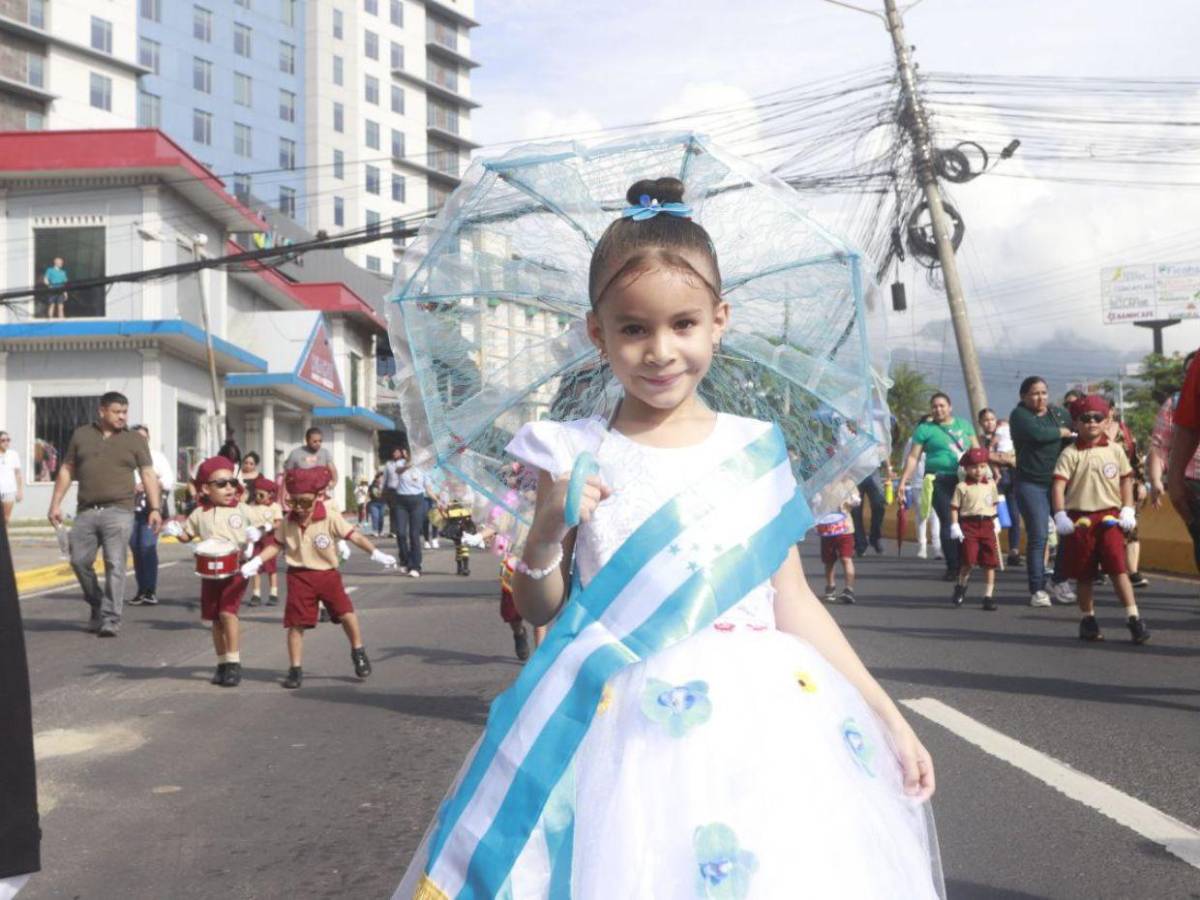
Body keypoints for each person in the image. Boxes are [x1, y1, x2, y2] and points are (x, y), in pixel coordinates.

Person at [394, 176, 941, 898]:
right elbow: (537, 606)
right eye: (633, 329)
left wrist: (885, 713)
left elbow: (794, 601)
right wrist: (548, 530)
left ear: (720, 320)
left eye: (683, 324)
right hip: (624, 728)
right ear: (597, 333)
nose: (659, 351)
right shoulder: (568, 449)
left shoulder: (758, 447)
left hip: (769, 724)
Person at [249, 467, 395, 690]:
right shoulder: (289, 521)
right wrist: (257, 561)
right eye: (294, 502)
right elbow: (276, 545)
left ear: (317, 497)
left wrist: (375, 552)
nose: (299, 508)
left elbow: (353, 535)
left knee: (346, 614)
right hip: (299, 576)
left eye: (305, 502)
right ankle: (295, 669)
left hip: (327, 575)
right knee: (295, 624)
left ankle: (358, 650)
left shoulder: (329, 517)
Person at [48, 392, 161, 636]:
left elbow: (148, 474)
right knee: (78, 561)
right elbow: (67, 469)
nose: (122, 417)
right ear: (102, 411)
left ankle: (111, 618)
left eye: (125, 412)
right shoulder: (81, 435)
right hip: (86, 511)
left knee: (115, 563)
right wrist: (55, 503)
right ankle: (97, 603)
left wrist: (155, 508)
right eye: (116, 412)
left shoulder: (134, 439)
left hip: (119, 511)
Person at [1051, 396, 1148, 644]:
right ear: (1076, 423)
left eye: (1097, 418)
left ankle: (1133, 617)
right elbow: (1058, 486)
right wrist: (1060, 514)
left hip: (1109, 519)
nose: (1092, 423)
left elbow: (1126, 478)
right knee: (1084, 574)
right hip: (1080, 520)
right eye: (1085, 418)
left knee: (1118, 569)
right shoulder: (1070, 453)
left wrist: (1127, 508)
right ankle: (1088, 619)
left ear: (1107, 422)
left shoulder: (1115, 450)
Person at [163, 457, 265, 687]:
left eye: (231, 482)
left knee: (228, 613)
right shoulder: (200, 513)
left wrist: (256, 535)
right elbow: (187, 536)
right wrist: (175, 531)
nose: (229, 487)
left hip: (237, 568)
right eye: (221, 484)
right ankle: (221, 663)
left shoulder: (242, 509)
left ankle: (234, 663)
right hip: (209, 572)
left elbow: (266, 526)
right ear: (206, 489)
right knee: (215, 619)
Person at [1009, 376, 1076, 608]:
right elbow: (1037, 434)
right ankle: (1037, 588)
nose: (1041, 397)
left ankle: (1059, 579)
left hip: (1058, 483)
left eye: (1044, 392)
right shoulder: (1019, 416)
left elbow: (1072, 440)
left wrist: (1066, 433)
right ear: (1024, 396)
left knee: (1068, 531)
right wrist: (1061, 433)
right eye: (1035, 393)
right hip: (1030, 484)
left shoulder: (1059, 414)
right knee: (1039, 536)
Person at [898, 392, 977, 581]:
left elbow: (977, 451)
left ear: (950, 407)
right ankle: (953, 565)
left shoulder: (964, 425)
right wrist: (903, 481)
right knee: (949, 519)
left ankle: (966, 561)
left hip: (964, 479)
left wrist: (988, 474)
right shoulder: (925, 429)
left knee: (966, 521)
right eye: (934, 406)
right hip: (938, 480)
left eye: (942, 405)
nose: (938, 409)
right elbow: (913, 457)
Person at [1149, 353, 1200, 572]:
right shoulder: (1175, 404)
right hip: (1194, 483)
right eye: (1188, 373)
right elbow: (1160, 446)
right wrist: (1161, 479)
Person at [1100, 405, 1148, 589]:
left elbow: (1137, 458)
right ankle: (1103, 568)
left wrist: (1142, 482)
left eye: (1106, 409)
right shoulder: (1091, 433)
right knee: (1104, 529)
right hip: (1101, 490)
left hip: (1127, 487)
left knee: (1132, 529)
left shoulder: (1125, 432)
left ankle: (1133, 572)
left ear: (1111, 410)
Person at [128, 425, 175, 607]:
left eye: (144, 438)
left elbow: (169, 480)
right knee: (136, 548)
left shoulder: (156, 457)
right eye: (137, 438)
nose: (141, 441)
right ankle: (141, 589)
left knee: (147, 547)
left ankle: (150, 590)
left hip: (151, 510)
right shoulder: (126, 459)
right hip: (130, 510)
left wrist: (151, 484)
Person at [949, 447, 1001, 610]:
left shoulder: (991, 484)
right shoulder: (962, 486)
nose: (978, 470)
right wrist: (955, 525)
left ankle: (988, 596)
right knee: (969, 561)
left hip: (987, 525)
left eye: (982, 466)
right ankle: (961, 586)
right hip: (969, 525)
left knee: (990, 562)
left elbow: (994, 504)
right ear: (966, 468)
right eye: (974, 467)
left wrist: (996, 519)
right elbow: (954, 507)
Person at [382, 446, 437, 577]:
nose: (405, 453)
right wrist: (409, 465)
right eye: (406, 452)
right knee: (400, 533)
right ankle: (405, 561)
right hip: (401, 501)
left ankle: (415, 566)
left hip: (417, 502)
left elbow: (428, 490)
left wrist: (438, 501)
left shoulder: (424, 470)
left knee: (414, 535)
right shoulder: (400, 463)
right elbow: (398, 471)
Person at [978, 408, 1020, 566]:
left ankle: (1014, 551)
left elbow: (1013, 457)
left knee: (1014, 515)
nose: (989, 423)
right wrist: (1000, 459)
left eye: (992, 419)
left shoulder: (1006, 436)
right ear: (981, 423)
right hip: (993, 483)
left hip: (1012, 479)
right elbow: (983, 456)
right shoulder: (981, 440)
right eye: (986, 420)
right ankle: (989, 551)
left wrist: (1006, 459)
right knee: (994, 517)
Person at [817, 480, 859, 604]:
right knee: (829, 560)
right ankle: (830, 586)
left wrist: (852, 501)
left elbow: (856, 500)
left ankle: (849, 589)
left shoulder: (849, 483)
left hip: (845, 528)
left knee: (846, 558)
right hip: (827, 528)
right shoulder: (823, 484)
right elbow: (816, 503)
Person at [246, 475, 282, 607]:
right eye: (256, 495)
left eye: (261, 495)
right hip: (255, 539)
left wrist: (269, 526)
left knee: (271, 568)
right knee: (255, 567)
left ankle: (273, 593)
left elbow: (278, 522)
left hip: (269, 539)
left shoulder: (274, 507)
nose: (258, 498)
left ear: (270, 495)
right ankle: (256, 594)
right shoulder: (251, 507)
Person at [283, 427, 337, 506]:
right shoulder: (295, 453)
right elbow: (287, 474)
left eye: (320, 441)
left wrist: (334, 482)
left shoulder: (325, 453)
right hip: (301, 495)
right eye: (314, 441)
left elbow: (333, 470)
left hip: (319, 494)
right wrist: (288, 492)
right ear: (307, 440)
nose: (318, 443)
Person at [497, 554, 531, 660]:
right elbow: (497, 536)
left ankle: (541, 656)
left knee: (540, 609)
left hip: (538, 559)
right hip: (513, 562)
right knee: (511, 611)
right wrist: (479, 536)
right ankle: (519, 633)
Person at [850, 465, 887, 557]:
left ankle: (875, 537)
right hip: (854, 475)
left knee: (879, 504)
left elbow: (881, 451)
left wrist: (889, 467)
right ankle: (860, 544)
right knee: (855, 511)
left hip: (872, 473)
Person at [0, 432, 23, 524]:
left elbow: (18, 474)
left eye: (8, 440)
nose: (6, 442)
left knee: (5, 519)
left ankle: (4, 538)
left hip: (9, 491)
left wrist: (20, 491)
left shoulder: (13, 454)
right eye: (3, 440)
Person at [366, 472, 388, 536]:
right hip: (373, 503)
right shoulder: (372, 486)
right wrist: (365, 504)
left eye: (382, 478)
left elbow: (387, 495)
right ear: (376, 478)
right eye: (380, 478)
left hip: (382, 503)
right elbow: (368, 495)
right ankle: (375, 530)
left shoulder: (384, 486)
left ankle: (380, 531)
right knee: (375, 517)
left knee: (381, 517)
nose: (381, 479)